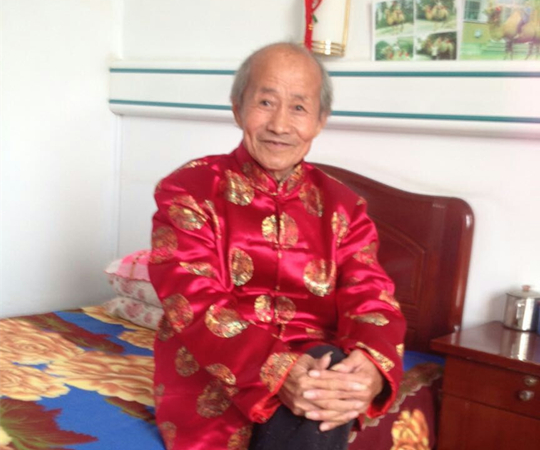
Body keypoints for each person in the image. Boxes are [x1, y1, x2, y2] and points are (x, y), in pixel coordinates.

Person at [148, 42, 406, 450]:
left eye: (299, 108)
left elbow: (372, 297)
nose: (280, 125)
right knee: (320, 389)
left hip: (321, 367)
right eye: (265, 103)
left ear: (320, 121)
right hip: (213, 375)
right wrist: (279, 371)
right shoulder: (189, 190)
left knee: (328, 373)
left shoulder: (345, 207)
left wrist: (371, 367)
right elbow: (192, 301)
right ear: (238, 108)